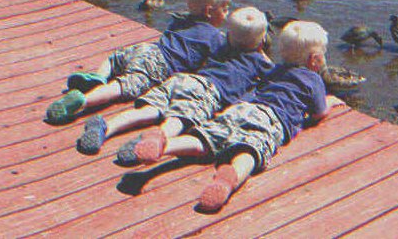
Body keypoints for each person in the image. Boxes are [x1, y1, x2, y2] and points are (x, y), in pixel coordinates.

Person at [130, 21, 343, 212]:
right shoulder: (313, 80)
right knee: (250, 149)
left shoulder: (274, 71)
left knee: (206, 138)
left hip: (242, 108)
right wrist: (330, 102)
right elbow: (318, 113)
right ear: (314, 60)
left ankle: (164, 144)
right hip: (270, 119)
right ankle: (229, 179)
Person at [76, 7, 274, 158]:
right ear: (261, 41)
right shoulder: (259, 63)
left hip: (182, 80)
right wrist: (261, 52)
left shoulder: (220, 46)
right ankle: (155, 140)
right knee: (178, 119)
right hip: (206, 91)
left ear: (229, 35)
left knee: (149, 110)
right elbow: (272, 76)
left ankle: (107, 126)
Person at [46, 0, 232, 125]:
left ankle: (100, 76)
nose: (227, 13)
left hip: (148, 49)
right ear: (209, 11)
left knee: (116, 58)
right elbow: (217, 63)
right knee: (123, 86)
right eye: (225, 9)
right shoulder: (214, 37)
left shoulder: (179, 20)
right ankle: (84, 100)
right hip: (160, 66)